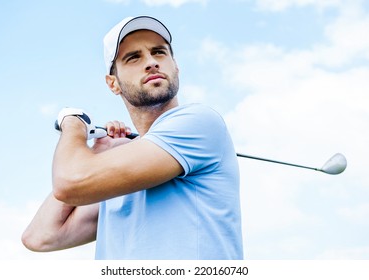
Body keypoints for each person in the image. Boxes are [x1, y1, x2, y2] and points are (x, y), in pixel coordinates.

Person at [22, 15, 243, 259]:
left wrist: (73, 123)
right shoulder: (115, 177)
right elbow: (40, 236)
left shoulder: (198, 122)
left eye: (159, 52)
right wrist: (97, 154)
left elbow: (69, 182)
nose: (151, 62)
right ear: (113, 84)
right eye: (134, 57)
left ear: (176, 67)